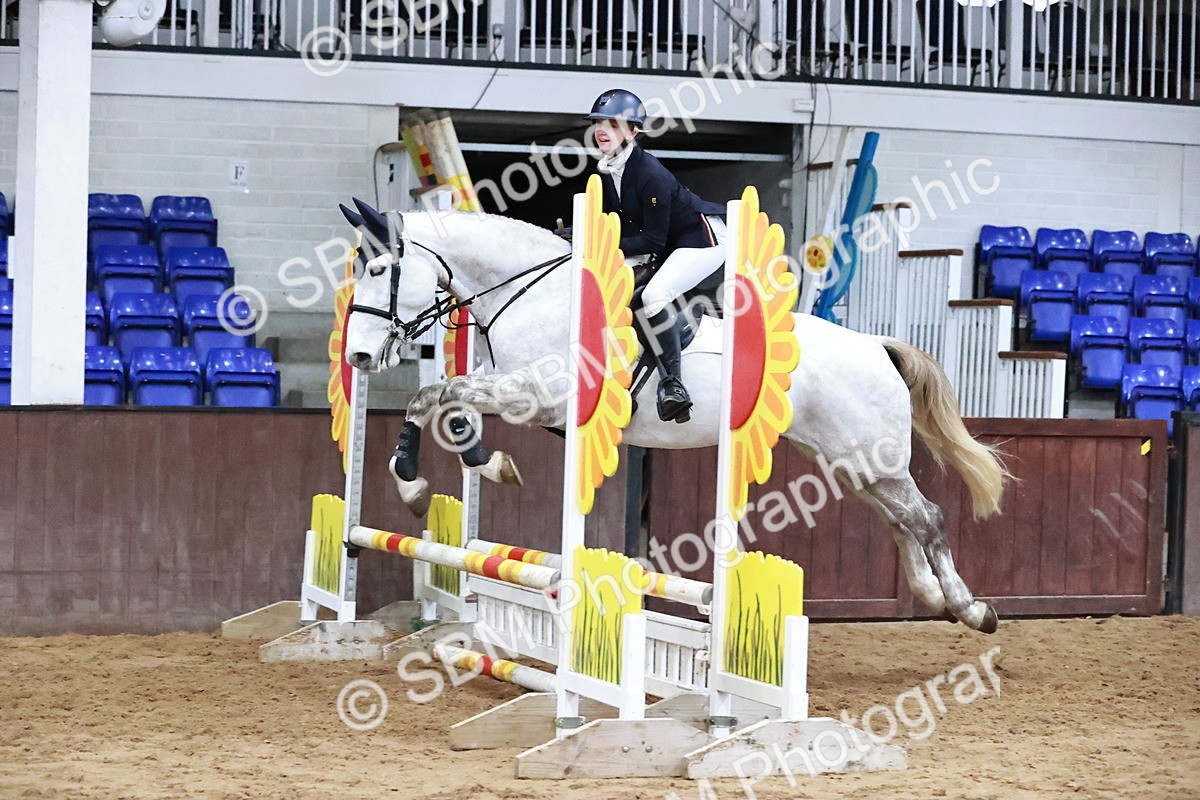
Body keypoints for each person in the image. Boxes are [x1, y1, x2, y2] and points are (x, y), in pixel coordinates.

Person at [585, 88, 727, 424]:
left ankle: (673, 385)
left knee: (653, 295)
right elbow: (617, 223)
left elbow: (653, 240)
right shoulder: (609, 169)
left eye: (613, 124)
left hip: (702, 241)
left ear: (633, 131)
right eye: (599, 123)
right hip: (669, 241)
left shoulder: (651, 174)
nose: (602, 130)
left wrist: (599, 244)